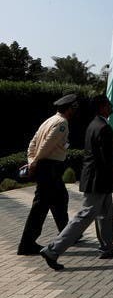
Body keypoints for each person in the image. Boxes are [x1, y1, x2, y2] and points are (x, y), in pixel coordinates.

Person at [39, 95, 113, 271]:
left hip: (96, 179)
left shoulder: (93, 125)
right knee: (85, 216)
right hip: (98, 180)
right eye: (109, 105)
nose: (111, 107)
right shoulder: (103, 128)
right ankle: (53, 250)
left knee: (105, 214)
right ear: (102, 107)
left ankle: (107, 247)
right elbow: (108, 158)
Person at [17, 94, 78, 256]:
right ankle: (26, 244)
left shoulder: (48, 121)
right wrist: (34, 163)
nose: (75, 111)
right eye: (74, 108)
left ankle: (67, 234)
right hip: (49, 167)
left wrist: (31, 160)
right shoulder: (62, 123)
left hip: (47, 167)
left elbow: (33, 143)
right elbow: (46, 145)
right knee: (40, 207)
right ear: (69, 109)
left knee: (60, 199)